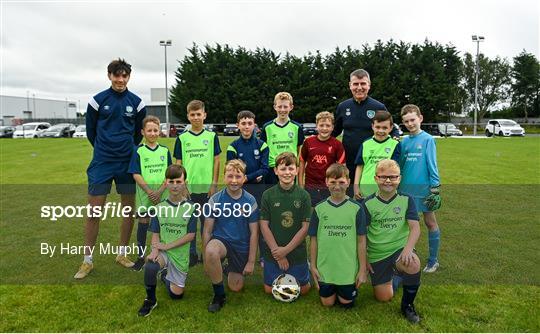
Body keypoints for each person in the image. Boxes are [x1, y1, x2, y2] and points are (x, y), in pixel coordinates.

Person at [75, 58, 146, 279]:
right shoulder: (97, 101)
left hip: (127, 163)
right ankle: (87, 261)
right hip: (102, 163)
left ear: (129, 77)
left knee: (128, 210)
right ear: (109, 76)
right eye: (117, 75)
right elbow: (91, 132)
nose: (120, 79)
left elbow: (137, 134)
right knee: (94, 211)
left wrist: (128, 150)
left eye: (124, 75)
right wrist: (105, 150)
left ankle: (121, 254)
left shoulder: (137, 103)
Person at [360, 159, 422, 324]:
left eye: (393, 177)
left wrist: (408, 250)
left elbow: (415, 228)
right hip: (377, 255)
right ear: (376, 179)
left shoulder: (406, 200)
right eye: (383, 177)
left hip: (398, 250)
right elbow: (361, 236)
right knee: (384, 298)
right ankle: (396, 276)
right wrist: (364, 260)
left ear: (399, 179)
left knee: (413, 263)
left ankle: (407, 305)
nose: (388, 180)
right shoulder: (367, 204)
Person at [137, 165, 196, 317]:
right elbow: (155, 233)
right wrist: (155, 250)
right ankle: (150, 300)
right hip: (163, 252)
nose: (175, 185)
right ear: (166, 183)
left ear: (185, 182)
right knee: (150, 266)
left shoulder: (191, 208)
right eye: (171, 181)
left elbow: (191, 235)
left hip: (179, 255)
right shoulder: (160, 207)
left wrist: (168, 245)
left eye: (178, 181)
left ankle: (165, 276)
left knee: (176, 295)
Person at [202, 160, 259, 313]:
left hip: (241, 246)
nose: (234, 180)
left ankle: (226, 268)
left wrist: (251, 261)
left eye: (238, 176)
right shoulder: (215, 199)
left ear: (244, 178)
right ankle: (219, 296)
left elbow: (254, 233)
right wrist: (206, 259)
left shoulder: (250, 201)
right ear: (224, 177)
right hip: (222, 242)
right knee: (212, 252)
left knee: (236, 287)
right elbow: (207, 230)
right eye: (230, 176)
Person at [308, 163, 367, 308]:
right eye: (333, 182)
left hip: (347, 269)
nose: (337, 186)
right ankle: (329, 285)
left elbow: (361, 241)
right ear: (326, 182)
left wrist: (362, 269)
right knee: (327, 303)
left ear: (348, 182)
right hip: (325, 268)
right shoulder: (319, 208)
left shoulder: (356, 208)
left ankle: (346, 288)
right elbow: (313, 240)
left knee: (346, 303)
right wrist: (313, 266)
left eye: (341, 182)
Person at [332, 69, 398, 188]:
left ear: (369, 85)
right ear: (350, 85)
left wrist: (396, 136)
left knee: (371, 194)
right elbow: (335, 131)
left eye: (363, 83)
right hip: (348, 160)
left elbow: (392, 128)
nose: (359, 87)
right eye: (356, 84)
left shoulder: (378, 106)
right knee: (349, 193)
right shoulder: (343, 106)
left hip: (371, 162)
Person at [173, 100, 221, 266]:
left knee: (207, 223)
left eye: (198, 114)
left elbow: (216, 160)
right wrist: (182, 186)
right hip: (188, 189)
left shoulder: (212, 136)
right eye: (192, 115)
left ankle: (207, 253)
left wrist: (214, 183)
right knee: (190, 222)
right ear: (188, 116)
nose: (196, 117)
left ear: (204, 115)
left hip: (207, 188)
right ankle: (191, 253)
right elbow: (178, 163)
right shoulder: (182, 138)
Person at [259, 152, 311, 295]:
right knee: (269, 290)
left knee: (304, 290)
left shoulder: (304, 196)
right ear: (276, 171)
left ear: (297, 170)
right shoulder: (267, 195)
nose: (287, 173)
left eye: (290, 168)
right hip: (274, 252)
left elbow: (305, 228)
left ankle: (306, 266)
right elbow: (264, 225)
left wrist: (286, 250)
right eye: (282, 169)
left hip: (296, 251)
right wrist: (278, 253)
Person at [399, 104, 442, 273]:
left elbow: (433, 165)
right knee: (406, 225)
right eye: (406, 121)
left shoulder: (428, 139)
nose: (410, 124)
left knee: (430, 222)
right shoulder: (404, 142)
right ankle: (407, 257)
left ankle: (433, 261)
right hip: (405, 189)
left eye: (412, 120)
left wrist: (435, 188)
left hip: (424, 190)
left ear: (420, 118)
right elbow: (400, 167)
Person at [128, 115, 172, 271]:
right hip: (145, 196)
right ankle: (140, 257)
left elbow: (170, 174)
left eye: (155, 130)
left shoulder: (165, 151)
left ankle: (162, 256)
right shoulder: (138, 151)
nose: (153, 133)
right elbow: (136, 173)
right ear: (142, 132)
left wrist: (159, 191)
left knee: (162, 225)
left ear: (159, 131)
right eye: (149, 130)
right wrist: (149, 191)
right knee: (143, 224)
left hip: (162, 195)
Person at [299, 111, 345, 206]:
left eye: (328, 126)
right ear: (316, 126)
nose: (324, 128)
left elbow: (342, 167)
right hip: (310, 186)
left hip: (329, 186)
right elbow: (302, 162)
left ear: (332, 127)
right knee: (312, 213)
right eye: (321, 125)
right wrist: (300, 185)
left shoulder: (337, 144)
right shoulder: (308, 142)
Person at [353, 110, 400, 199]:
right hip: (365, 190)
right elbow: (359, 166)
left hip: (386, 191)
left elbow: (395, 171)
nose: (380, 131)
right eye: (377, 127)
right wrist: (356, 187)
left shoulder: (395, 145)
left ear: (391, 128)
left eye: (385, 128)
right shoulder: (366, 144)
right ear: (372, 126)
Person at [260, 92, 304, 184]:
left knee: (288, 196)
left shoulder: (297, 127)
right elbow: (263, 150)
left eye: (285, 106)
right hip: (272, 169)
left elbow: (298, 149)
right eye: (279, 106)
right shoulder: (267, 127)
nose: (282, 110)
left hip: (290, 168)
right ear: (275, 107)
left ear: (291, 107)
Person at [226, 110, 269, 204]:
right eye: (243, 123)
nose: (247, 126)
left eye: (250, 123)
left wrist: (248, 177)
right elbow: (231, 171)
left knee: (257, 216)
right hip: (239, 189)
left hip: (259, 189)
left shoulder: (262, 145)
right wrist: (255, 176)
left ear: (254, 125)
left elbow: (265, 169)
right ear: (238, 125)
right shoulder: (232, 147)